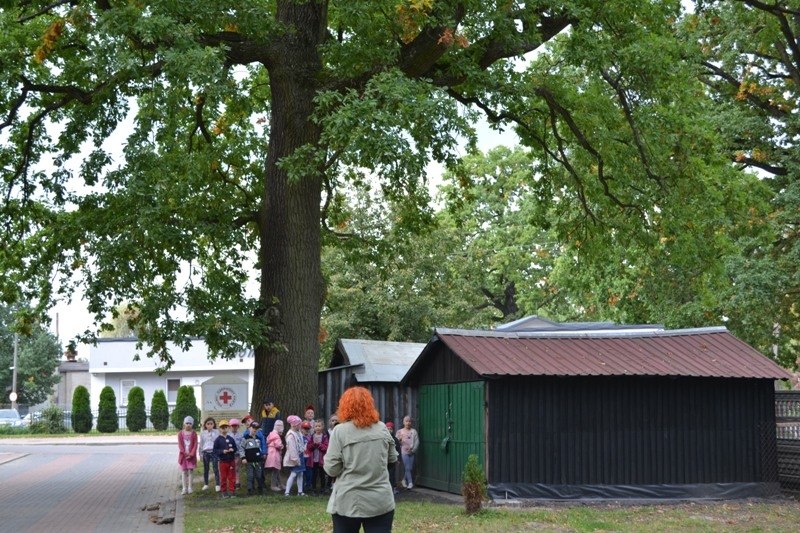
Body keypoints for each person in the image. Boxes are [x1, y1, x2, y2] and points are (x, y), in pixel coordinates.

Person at [324, 386, 398, 533]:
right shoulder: (382, 428)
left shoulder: (340, 431)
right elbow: (393, 459)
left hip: (348, 500)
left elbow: (331, 469)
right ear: (369, 404)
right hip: (380, 500)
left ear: (344, 406)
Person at [239, 421, 266, 496]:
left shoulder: (258, 439)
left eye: (256, 428)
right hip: (249, 461)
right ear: (249, 428)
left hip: (258, 461)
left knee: (259, 475)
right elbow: (241, 448)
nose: (255, 430)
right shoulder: (245, 438)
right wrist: (243, 457)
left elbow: (259, 449)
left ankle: (260, 489)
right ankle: (250, 490)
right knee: (250, 476)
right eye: (253, 428)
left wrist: (262, 455)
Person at [214, 419, 238, 498]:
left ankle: (232, 491)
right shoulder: (218, 440)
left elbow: (235, 448)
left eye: (226, 427)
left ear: (228, 428)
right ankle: (224, 491)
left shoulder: (231, 439)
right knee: (223, 477)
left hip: (231, 460)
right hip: (222, 461)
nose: (224, 429)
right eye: (222, 427)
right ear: (219, 429)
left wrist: (232, 450)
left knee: (232, 477)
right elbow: (215, 450)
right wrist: (222, 451)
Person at [283, 415, 307, 496]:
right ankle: (287, 492)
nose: (300, 426)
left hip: (300, 455)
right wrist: (295, 459)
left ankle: (300, 492)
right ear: (294, 425)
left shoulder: (298, 433)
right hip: (295, 457)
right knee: (293, 474)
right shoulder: (291, 435)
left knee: (301, 474)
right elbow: (292, 448)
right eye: (299, 424)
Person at [395, 415, 419, 489]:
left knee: (410, 468)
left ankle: (403, 480)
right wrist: (399, 440)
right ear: (403, 422)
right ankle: (410, 483)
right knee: (408, 467)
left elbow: (417, 442)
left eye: (409, 421)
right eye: (406, 421)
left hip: (411, 452)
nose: (408, 423)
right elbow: (396, 443)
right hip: (403, 452)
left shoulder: (414, 431)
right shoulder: (399, 432)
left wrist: (413, 450)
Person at [306, 419, 329, 495]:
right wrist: (314, 444)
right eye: (316, 426)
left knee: (322, 475)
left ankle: (323, 488)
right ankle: (314, 489)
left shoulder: (325, 437)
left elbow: (326, 448)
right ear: (313, 427)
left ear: (323, 427)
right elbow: (309, 447)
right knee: (314, 475)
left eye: (319, 426)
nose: (318, 428)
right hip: (313, 460)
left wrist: (318, 444)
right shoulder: (311, 437)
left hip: (321, 460)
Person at [177, 416, 198, 495]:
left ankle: (190, 487)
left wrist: (191, 454)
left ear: (192, 424)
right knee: (184, 471)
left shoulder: (194, 433)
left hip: (191, 457)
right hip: (184, 456)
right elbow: (180, 445)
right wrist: (185, 454)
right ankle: (184, 488)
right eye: (187, 423)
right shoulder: (180, 433)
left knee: (191, 471)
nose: (188, 425)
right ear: (184, 424)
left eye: (190, 423)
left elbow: (195, 444)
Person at [199, 417, 220, 492]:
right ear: (205, 425)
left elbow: (217, 441)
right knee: (206, 468)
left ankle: (217, 484)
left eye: (211, 424)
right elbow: (201, 444)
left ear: (214, 424)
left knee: (215, 468)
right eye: (208, 424)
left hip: (214, 452)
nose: (210, 425)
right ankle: (206, 484)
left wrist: (212, 431)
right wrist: (200, 454)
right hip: (205, 452)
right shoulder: (203, 433)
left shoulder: (216, 432)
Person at [266, 419, 285, 491]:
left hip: (271, 453)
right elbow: (278, 445)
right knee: (276, 470)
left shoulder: (270, 435)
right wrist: (282, 446)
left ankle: (280, 484)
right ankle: (273, 485)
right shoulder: (277, 437)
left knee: (277, 470)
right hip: (275, 454)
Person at [385, 421, 400, 495]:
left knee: (392, 474)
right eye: (388, 429)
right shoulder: (383, 438)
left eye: (391, 429)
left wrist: (398, 459)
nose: (389, 430)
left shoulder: (395, 439)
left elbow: (398, 449)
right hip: (385, 460)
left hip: (393, 461)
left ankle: (392, 488)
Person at [229, 418, 243, 489]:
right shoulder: (228, 435)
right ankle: (232, 482)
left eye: (235, 426)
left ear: (238, 426)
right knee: (231, 469)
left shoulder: (241, 435)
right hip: (230, 455)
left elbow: (242, 445)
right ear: (230, 427)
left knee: (237, 468)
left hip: (238, 454)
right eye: (232, 426)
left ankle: (237, 481)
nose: (234, 427)